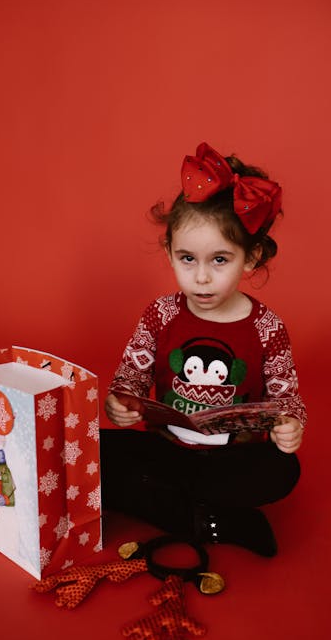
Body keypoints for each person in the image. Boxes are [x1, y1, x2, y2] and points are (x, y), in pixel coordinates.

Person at [100, 142, 307, 557]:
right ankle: (208, 519)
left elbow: (286, 397)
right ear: (169, 253)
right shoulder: (160, 314)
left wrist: (290, 427)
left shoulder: (267, 327)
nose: (201, 278)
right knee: (95, 451)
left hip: (231, 459)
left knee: (282, 470)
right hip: (166, 450)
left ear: (251, 258)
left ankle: (178, 508)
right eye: (187, 258)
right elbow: (131, 376)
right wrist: (119, 404)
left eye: (219, 260)